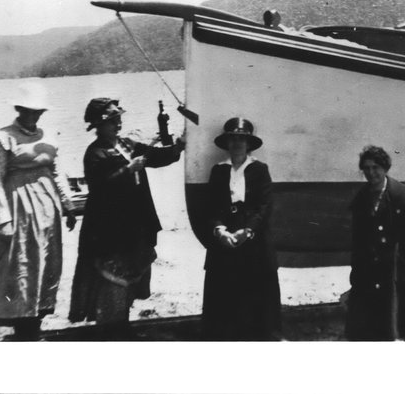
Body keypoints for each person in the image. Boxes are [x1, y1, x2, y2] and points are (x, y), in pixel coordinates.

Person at [68, 97, 184, 339]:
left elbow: (160, 156)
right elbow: (100, 187)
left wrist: (179, 146)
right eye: (112, 121)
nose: (118, 124)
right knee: (111, 284)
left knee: (129, 281)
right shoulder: (95, 153)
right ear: (98, 126)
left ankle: (121, 327)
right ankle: (111, 331)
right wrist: (127, 170)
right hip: (109, 228)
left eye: (118, 119)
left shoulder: (128, 145)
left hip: (134, 224)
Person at [0, 83, 77, 341]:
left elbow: (56, 171)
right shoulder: (2, 137)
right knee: (21, 265)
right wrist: (3, 218)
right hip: (19, 211)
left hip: (47, 209)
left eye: (38, 111)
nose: (34, 116)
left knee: (47, 263)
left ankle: (36, 321)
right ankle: (22, 326)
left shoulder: (48, 136)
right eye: (29, 110)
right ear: (19, 109)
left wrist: (68, 205)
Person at [201, 117, 282, 341]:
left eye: (242, 139)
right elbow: (211, 206)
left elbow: (264, 206)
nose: (237, 143)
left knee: (257, 296)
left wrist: (247, 231)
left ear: (248, 144)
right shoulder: (218, 170)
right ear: (227, 143)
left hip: (254, 239)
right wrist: (219, 230)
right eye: (233, 139)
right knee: (225, 296)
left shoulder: (259, 169)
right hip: (225, 238)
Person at [344, 145, 405, 341]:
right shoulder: (361, 198)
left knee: (402, 320)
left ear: (385, 168)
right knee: (371, 324)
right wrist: (355, 272)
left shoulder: (403, 195)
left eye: (375, 168)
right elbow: (358, 240)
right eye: (366, 168)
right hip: (371, 268)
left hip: (398, 267)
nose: (371, 173)